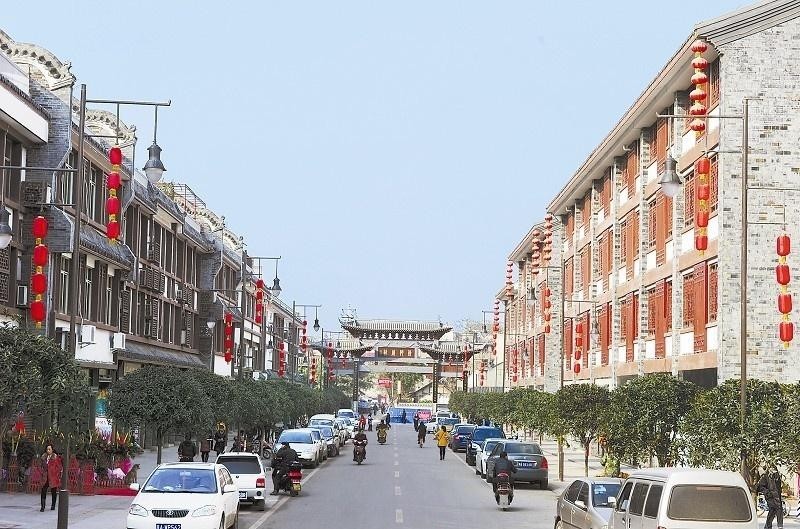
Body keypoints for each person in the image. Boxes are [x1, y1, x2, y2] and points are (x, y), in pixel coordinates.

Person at [40, 443, 61, 512]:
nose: (48, 450)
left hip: (53, 477)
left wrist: (56, 473)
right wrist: (42, 472)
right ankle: (42, 506)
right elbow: (40, 466)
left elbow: (59, 467)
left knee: (53, 491)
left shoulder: (55, 457)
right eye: (47, 449)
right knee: (43, 491)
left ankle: (53, 505)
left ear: (52, 450)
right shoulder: (43, 457)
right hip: (45, 477)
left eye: (49, 449)